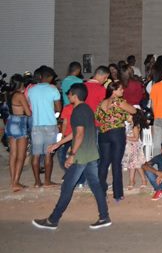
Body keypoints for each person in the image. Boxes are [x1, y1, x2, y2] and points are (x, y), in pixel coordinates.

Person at [33, 83, 111, 230]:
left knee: (67, 187)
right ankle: (104, 216)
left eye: (69, 94)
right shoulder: (87, 109)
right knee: (95, 185)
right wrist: (58, 144)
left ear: (75, 96)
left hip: (81, 155)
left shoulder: (77, 111)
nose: (68, 97)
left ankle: (53, 220)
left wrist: (72, 154)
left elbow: (79, 134)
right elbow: (76, 133)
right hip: (90, 153)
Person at [96, 81, 137, 202]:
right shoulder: (119, 101)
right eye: (120, 89)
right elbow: (133, 111)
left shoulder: (102, 102)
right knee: (116, 163)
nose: (122, 91)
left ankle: (100, 191)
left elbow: (97, 117)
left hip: (103, 133)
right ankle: (117, 194)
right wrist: (124, 114)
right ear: (113, 91)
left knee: (104, 163)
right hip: (116, 133)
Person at [28, 66, 62, 188]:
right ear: (49, 77)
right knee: (48, 154)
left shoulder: (31, 90)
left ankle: (37, 182)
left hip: (36, 125)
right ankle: (47, 181)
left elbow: (30, 106)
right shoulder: (53, 89)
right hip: (50, 125)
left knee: (36, 154)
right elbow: (58, 108)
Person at [6, 75, 32, 192]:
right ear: (21, 84)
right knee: (21, 156)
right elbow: (28, 113)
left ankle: (13, 181)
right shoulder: (20, 96)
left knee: (13, 154)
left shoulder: (9, 94)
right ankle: (16, 183)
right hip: (20, 122)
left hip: (11, 122)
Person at [123, 109, 148, 190]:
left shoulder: (135, 126)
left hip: (134, 148)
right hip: (130, 147)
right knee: (132, 165)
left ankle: (142, 180)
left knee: (136, 165)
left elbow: (136, 138)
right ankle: (132, 180)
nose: (126, 116)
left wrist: (125, 138)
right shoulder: (130, 125)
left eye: (128, 115)